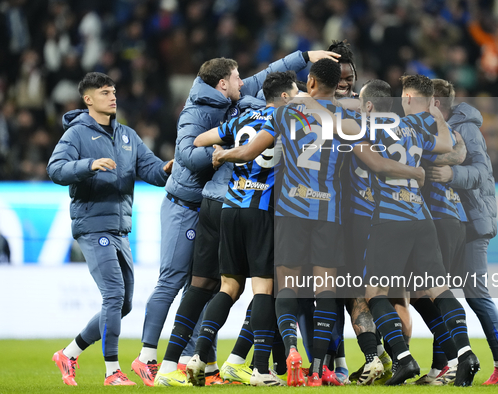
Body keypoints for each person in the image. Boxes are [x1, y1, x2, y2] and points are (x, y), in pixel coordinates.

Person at [212, 59, 426, 386]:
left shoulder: (285, 113)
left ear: (310, 81)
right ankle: (317, 370)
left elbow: (247, 153)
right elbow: (376, 164)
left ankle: (292, 350)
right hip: (329, 214)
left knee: (286, 285)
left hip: (291, 212)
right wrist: (413, 172)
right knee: (327, 289)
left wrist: (221, 155)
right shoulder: (347, 118)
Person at [134, 49, 340, 387]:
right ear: (287, 96)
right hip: (263, 212)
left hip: (224, 206)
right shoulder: (292, 121)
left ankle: (184, 361)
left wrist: (219, 155)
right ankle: (261, 368)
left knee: (219, 287)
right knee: (264, 290)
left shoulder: (240, 119)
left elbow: (199, 141)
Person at [47, 72, 173, 386]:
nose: (112, 96)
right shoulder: (76, 134)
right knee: (114, 294)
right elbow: (55, 169)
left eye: (113, 91)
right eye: (104, 92)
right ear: (88, 99)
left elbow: (151, 169)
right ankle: (112, 371)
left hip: (119, 227)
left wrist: (169, 169)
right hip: (92, 224)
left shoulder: (127, 135)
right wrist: (88, 165)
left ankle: (69, 354)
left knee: (124, 303)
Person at [363, 75, 479, 386]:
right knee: (438, 289)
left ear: (408, 97)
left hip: (390, 216)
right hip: (422, 216)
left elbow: (372, 161)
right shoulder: (419, 126)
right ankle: (466, 353)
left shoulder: (376, 124)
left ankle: (403, 358)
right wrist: (437, 116)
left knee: (375, 292)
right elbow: (448, 145)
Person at [427, 78, 498, 385]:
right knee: (443, 294)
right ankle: (444, 365)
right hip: (455, 222)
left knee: (476, 295)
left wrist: (452, 174)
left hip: (473, 223)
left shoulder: (466, 129)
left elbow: (482, 172)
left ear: (435, 103)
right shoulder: (444, 127)